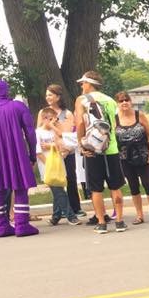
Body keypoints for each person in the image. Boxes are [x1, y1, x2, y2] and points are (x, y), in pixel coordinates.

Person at [74, 71, 126, 233]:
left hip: (92, 149)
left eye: (83, 83)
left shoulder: (81, 100)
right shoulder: (110, 100)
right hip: (111, 148)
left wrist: (82, 145)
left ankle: (102, 222)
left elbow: (80, 124)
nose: (82, 86)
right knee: (115, 186)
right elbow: (115, 125)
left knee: (96, 188)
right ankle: (119, 221)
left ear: (89, 83)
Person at [114, 92, 149, 223]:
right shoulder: (115, 119)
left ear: (131, 101)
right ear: (118, 104)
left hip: (142, 156)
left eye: (126, 100)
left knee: (148, 184)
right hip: (125, 158)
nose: (124, 102)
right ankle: (139, 215)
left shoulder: (139, 115)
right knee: (133, 186)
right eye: (121, 101)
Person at [0, 78, 39, 238]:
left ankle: (1, 226)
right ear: (6, 90)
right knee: (20, 185)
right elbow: (30, 132)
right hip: (16, 151)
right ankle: (22, 224)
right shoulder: (17, 106)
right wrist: (32, 154)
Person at [44, 84, 84, 217]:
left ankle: (75, 207)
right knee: (56, 181)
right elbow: (40, 130)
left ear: (58, 96)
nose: (47, 97)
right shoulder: (44, 112)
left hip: (67, 150)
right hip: (53, 152)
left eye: (50, 94)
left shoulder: (67, 114)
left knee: (70, 179)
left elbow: (66, 134)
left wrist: (54, 126)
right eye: (47, 95)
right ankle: (60, 210)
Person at [36, 107, 81, 224]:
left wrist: (51, 145)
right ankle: (71, 216)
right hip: (47, 165)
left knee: (58, 189)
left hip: (59, 164)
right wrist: (48, 164)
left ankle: (55, 217)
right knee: (59, 191)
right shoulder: (38, 132)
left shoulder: (54, 131)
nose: (53, 122)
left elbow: (62, 145)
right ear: (44, 119)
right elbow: (38, 151)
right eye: (51, 119)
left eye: (55, 120)